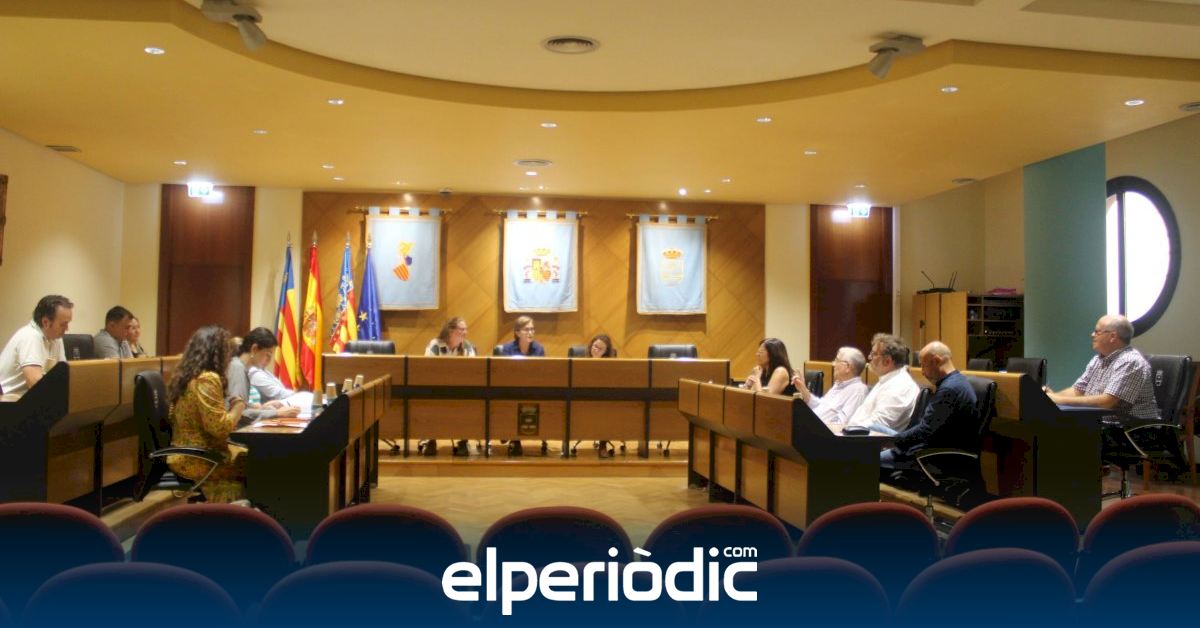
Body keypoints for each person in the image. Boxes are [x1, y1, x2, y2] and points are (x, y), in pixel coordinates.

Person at [166, 325, 247, 503]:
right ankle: (235, 516)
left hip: (188, 453)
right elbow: (219, 428)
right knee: (258, 462)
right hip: (199, 458)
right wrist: (238, 407)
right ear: (218, 353)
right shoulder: (207, 379)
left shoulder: (187, 376)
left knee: (248, 456)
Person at [880, 341, 978, 472]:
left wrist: (893, 442)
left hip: (934, 455)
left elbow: (925, 431)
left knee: (865, 458)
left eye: (923, 365)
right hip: (929, 444)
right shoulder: (955, 381)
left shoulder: (949, 389)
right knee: (873, 430)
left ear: (936, 361)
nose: (922, 371)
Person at [1044, 314, 1158, 419]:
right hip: (1102, 424)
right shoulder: (1097, 360)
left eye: (1097, 332)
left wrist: (1059, 400)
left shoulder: (1130, 361)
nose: (1092, 335)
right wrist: (1050, 397)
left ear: (1112, 336)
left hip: (1131, 427)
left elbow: (1107, 402)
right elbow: (1078, 390)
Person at [843, 333, 920, 435]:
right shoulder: (888, 380)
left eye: (874, 354)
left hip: (871, 441)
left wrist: (845, 433)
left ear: (887, 361)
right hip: (855, 435)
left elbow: (877, 425)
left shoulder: (900, 386)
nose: (869, 357)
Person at [423, 317, 476, 456]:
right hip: (437, 389)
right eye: (461, 329)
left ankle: (463, 440)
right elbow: (427, 370)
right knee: (429, 401)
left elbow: (473, 371)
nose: (465, 332)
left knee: (468, 403)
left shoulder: (467, 347)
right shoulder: (435, 346)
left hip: (460, 390)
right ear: (450, 331)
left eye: (466, 329)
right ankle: (430, 440)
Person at [0, 294, 73, 396]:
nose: (67, 328)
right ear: (45, 322)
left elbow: (63, 375)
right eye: (63, 324)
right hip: (7, 398)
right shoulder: (30, 336)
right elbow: (36, 385)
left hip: (26, 397)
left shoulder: (56, 338)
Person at [227, 327, 300, 427]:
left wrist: (263, 408)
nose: (269, 360)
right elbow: (239, 413)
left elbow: (242, 407)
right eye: (268, 355)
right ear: (254, 349)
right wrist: (277, 413)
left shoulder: (241, 368)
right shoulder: (237, 368)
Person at [497, 316, 545, 455]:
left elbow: (541, 373)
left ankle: (516, 436)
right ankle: (514, 438)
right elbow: (504, 373)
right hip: (511, 388)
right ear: (517, 332)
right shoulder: (507, 349)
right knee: (512, 401)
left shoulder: (539, 349)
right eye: (526, 329)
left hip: (533, 388)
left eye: (532, 329)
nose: (530, 332)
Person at [791, 346, 869, 425]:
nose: (833, 364)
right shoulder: (839, 384)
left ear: (848, 367)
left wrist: (811, 424)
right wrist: (803, 389)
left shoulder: (858, 391)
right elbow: (820, 405)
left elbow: (842, 423)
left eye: (837, 360)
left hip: (821, 430)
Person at [587, 333, 619, 457]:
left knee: (605, 409)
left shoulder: (610, 366)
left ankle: (603, 445)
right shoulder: (581, 362)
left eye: (600, 349)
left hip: (602, 398)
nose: (595, 349)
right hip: (584, 398)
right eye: (594, 346)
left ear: (605, 352)